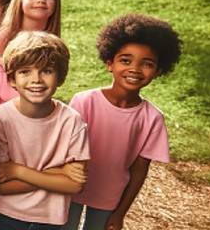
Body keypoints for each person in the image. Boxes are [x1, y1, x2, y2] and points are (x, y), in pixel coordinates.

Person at [63, 14, 182, 230]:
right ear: (110, 63)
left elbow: (139, 171)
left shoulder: (152, 118)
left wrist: (121, 213)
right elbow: (64, 150)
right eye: (125, 60)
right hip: (70, 190)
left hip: (110, 198)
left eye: (147, 64)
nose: (135, 69)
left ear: (158, 70)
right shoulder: (84, 101)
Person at [0, 31, 88, 229]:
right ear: (12, 79)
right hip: (4, 215)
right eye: (25, 71)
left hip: (50, 219)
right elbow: (3, 186)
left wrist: (17, 170)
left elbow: (75, 185)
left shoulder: (72, 121)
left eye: (47, 71)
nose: (37, 79)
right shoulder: (0, 119)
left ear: (60, 77)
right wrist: (58, 173)